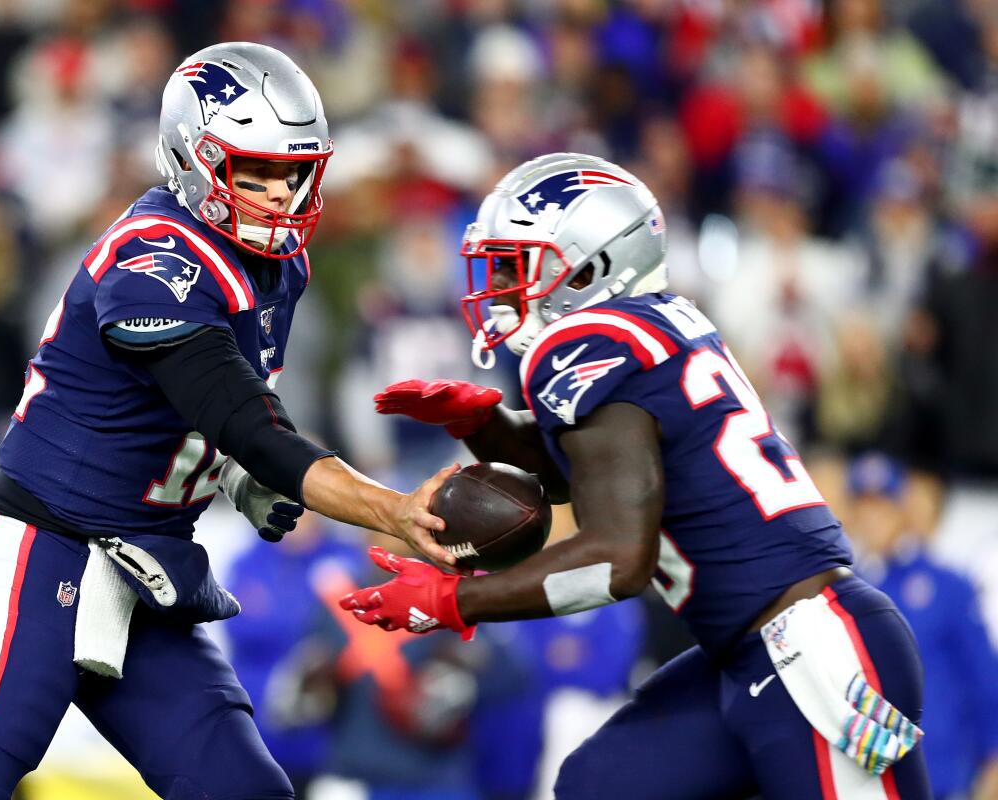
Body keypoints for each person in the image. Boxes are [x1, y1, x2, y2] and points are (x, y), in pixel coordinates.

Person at [0, 42, 456, 800]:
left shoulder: (279, 266)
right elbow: (239, 414)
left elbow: (201, 409)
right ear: (192, 160)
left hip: (144, 577)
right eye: (254, 171)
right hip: (38, 557)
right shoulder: (156, 255)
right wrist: (391, 510)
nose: (281, 196)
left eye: (293, 172)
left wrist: (230, 469)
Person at [343, 153, 933, 799]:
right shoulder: (652, 325)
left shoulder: (586, 342)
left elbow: (619, 560)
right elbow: (593, 476)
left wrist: (452, 600)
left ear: (590, 266)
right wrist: (486, 426)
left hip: (812, 652)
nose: (499, 283)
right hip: (748, 652)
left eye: (516, 264)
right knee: (601, 783)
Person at [845, 453, 998, 800]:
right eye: (864, 507)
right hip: (869, 775)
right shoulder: (846, 590)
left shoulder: (948, 586)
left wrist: (994, 757)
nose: (873, 519)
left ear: (902, 509)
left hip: (942, 773)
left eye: (882, 506)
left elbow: (985, 677)